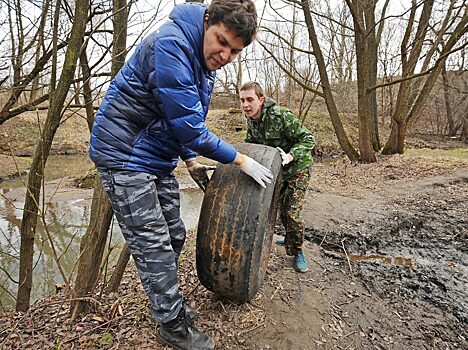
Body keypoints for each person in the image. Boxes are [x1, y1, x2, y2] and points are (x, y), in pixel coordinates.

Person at [89, 2, 273, 349]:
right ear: (208, 21)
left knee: (174, 235)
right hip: (124, 155)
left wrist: (190, 160)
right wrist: (240, 160)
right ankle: (172, 326)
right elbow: (191, 128)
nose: (226, 55)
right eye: (222, 41)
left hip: (155, 158)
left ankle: (167, 304)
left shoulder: (204, 62)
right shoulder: (172, 43)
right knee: (155, 245)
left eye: (235, 50)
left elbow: (177, 118)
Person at [239, 81, 315, 273]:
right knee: (279, 208)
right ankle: (290, 237)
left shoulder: (281, 115)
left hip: (298, 167)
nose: (245, 105)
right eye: (242, 100)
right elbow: (252, 143)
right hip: (278, 170)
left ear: (261, 99)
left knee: (291, 212)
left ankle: (297, 251)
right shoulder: (252, 120)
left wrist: (291, 155)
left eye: (250, 99)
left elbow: (308, 139)